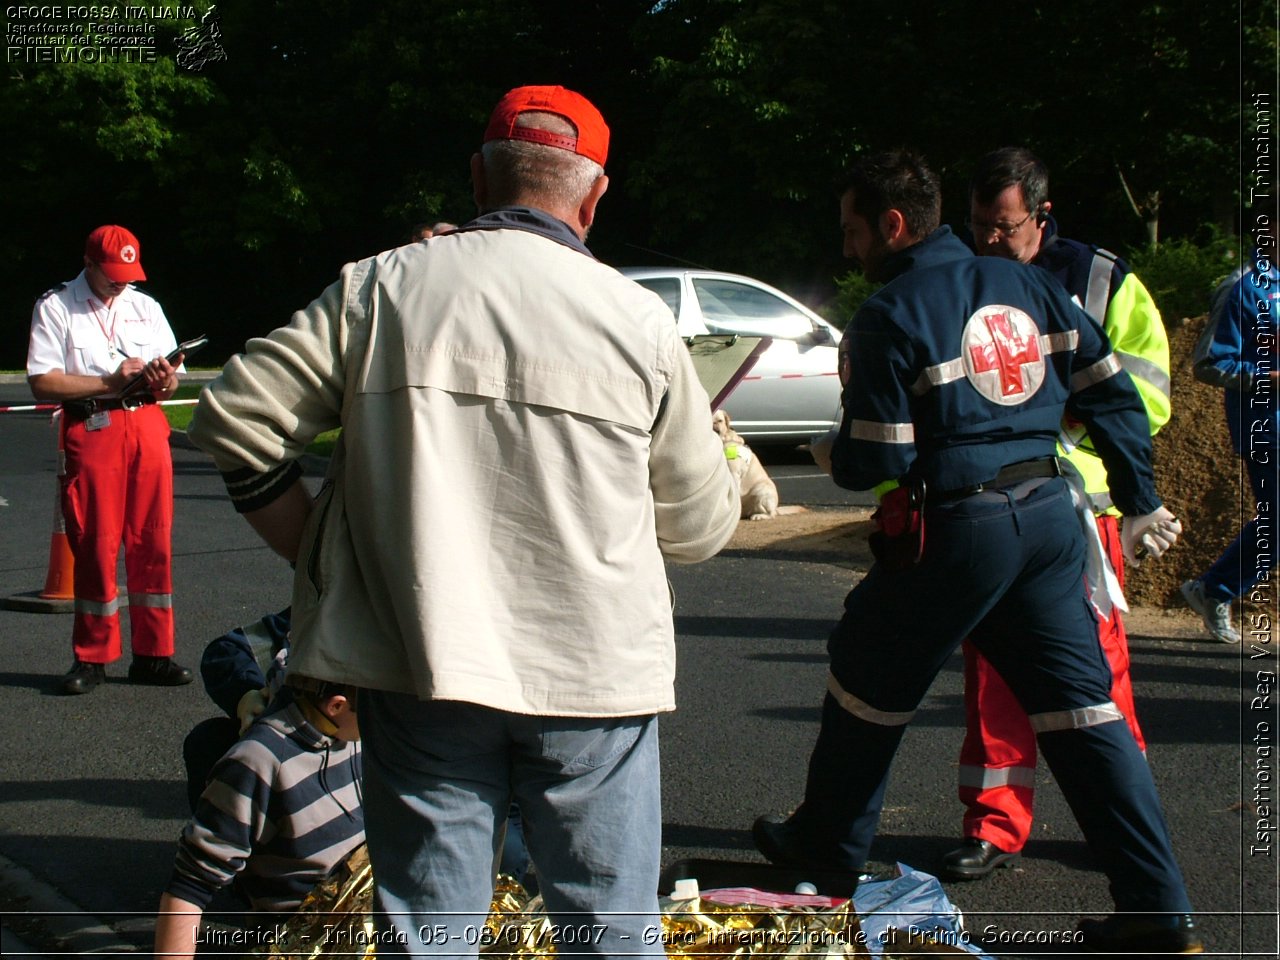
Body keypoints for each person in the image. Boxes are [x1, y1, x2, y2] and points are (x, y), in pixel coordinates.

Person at [186, 84, 739, 957]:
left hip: (419, 661)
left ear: (478, 181)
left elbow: (234, 419)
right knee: (611, 934)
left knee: (430, 931)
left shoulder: (383, 288)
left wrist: (322, 556)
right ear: (594, 200)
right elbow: (701, 531)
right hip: (594, 679)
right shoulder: (641, 321)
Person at [754, 149, 1200, 953]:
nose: (850, 250)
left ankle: (823, 867)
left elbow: (876, 464)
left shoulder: (892, 313)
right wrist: (1141, 499)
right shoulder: (1033, 284)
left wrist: (832, 451)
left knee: (865, 678)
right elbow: (1113, 396)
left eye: (855, 232)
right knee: (1086, 713)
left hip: (960, 530)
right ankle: (1158, 912)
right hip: (1051, 519)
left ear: (893, 226)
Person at [941, 146, 1172, 880]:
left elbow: (1146, 394)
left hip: (1079, 504)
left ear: (1041, 216)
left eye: (1003, 227)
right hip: (992, 502)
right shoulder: (960, 275)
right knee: (993, 675)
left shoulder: (1103, 280)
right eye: (978, 224)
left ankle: (1121, 826)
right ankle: (994, 825)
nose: (988, 240)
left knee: (1100, 677)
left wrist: (1059, 421)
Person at [26, 224, 193, 695]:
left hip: (147, 425)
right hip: (95, 424)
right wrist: (109, 383)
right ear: (89, 263)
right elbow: (43, 380)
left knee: (152, 540)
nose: (122, 282)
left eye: (129, 272)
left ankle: (154, 654)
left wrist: (163, 379)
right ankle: (93, 656)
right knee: (96, 544)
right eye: (113, 273)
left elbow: (173, 383)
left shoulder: (146, 306)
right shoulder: (56, 306)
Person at [153, 676, 364, 960]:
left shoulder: (352, 736)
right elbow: (190, 887)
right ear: (336, 706)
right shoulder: (258, 763)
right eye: (379, 710)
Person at [1182, 254, 1278, 640]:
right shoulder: (1242, 286)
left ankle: (1212, 588)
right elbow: (1209, 362)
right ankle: (1214, 589)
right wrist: (1267, 378)